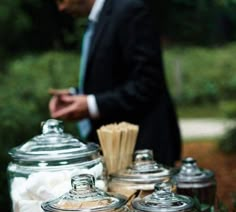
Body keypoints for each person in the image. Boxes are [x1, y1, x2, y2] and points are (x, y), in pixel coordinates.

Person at [49, 0, 182, 166]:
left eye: (61, 1)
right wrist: (75, 96)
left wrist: (91, 105)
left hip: (143, 152)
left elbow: (148, 83)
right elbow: (113, 79)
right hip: (116, 152)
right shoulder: (99, 20)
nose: (61, 8)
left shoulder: (130, 10)